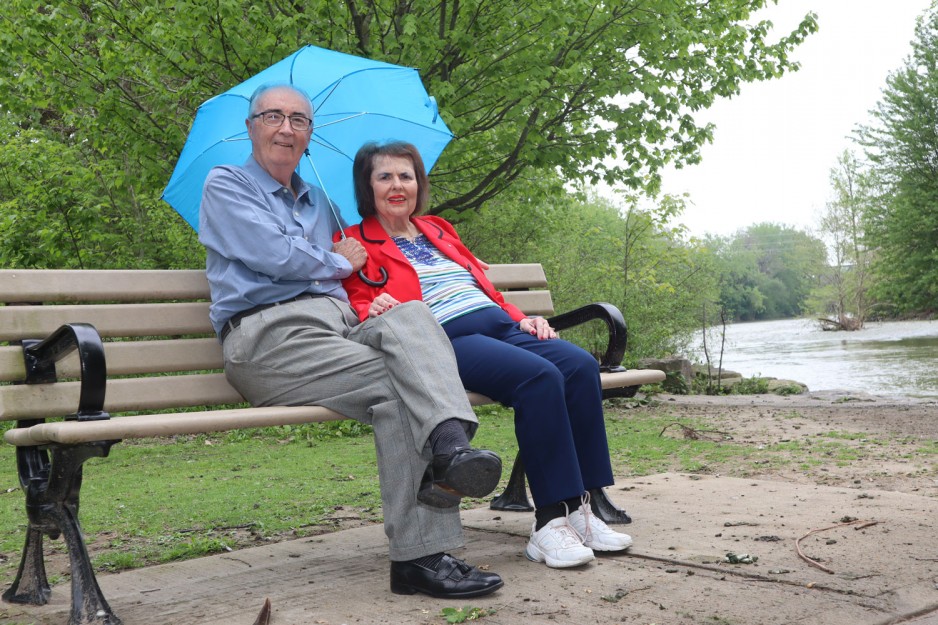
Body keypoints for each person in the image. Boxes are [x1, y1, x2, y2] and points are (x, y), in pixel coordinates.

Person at [198, 84, 505, 598]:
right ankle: (446, 472)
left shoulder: (321, 201)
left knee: (411, 316)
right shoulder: (226, 184)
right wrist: (339, 260)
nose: (286, 128)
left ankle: (435, 506)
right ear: (252, 127)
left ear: (309, 137)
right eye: (273, 116)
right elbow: (274, 254)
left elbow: (362, 265)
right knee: (405, 384)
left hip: (337, 326)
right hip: (268, 336)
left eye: (299, 121)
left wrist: (376, 291)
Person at [338, 141, 634, 569]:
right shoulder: (353, 242)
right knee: (539, 377)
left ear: (419, 183)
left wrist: (521, 318)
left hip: (498, 324)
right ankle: (550, 523)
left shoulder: (437, 228)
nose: (397, 185)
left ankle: (581, 511)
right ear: (368, 186)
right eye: (384, 176)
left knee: (578, 365)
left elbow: (482, 288)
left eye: (406, 176)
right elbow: (354, 306)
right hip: (441, 340)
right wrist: (373, 305)